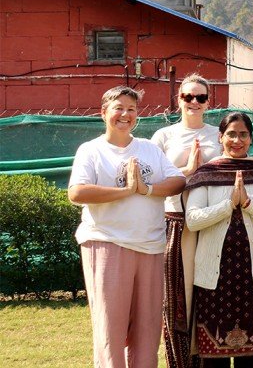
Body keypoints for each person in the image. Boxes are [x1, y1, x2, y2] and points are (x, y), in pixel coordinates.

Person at [68, 86, 186, 368]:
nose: (125, 114)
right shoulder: (91, 150)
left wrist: (145, 189)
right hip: (107, 242)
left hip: (151, 245)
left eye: (131, 109)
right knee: (111, 328)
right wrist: (125, 191)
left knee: (148, 329)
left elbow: (178, 181)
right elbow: (77, 192)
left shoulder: (149, 148)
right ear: (103, 113)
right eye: (118, 108)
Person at [184, 112, 253, 368]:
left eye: (243, 134)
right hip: (213, 281)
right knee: (213, 360)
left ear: (251, 139)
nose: (237, 140)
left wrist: (249, 204)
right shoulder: (207, 174)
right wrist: (229, 204)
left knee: (251, 360)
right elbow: (193, 220)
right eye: (231, 134)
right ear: (221, 137)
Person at [151, 74, 222, 368]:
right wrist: (188, 169)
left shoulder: (218, 134)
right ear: (178, 99)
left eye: (200, 97)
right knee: (177, 302)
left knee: (212, 296)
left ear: (209, 102)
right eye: (188, 97)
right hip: (176, 222)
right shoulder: (163, 137)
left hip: (214, 220)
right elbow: (154, 180)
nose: (194, 102)